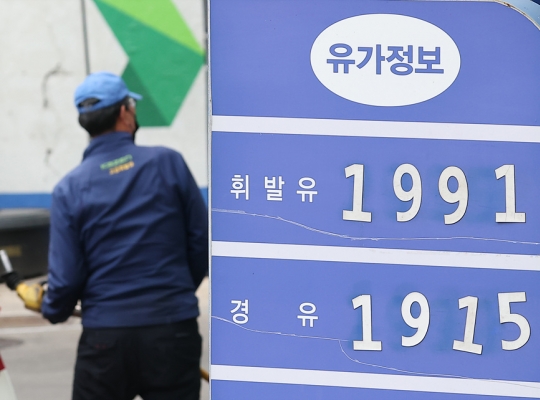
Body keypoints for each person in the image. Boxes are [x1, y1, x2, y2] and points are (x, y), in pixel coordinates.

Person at [41, 71, 208, 400]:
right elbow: (200, 242)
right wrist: (172, 293)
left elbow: (66, 278)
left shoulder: (69, 189)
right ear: (124, 112)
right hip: (172, 332)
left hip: (106, 341)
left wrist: (53, 308)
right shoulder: (168, 164)